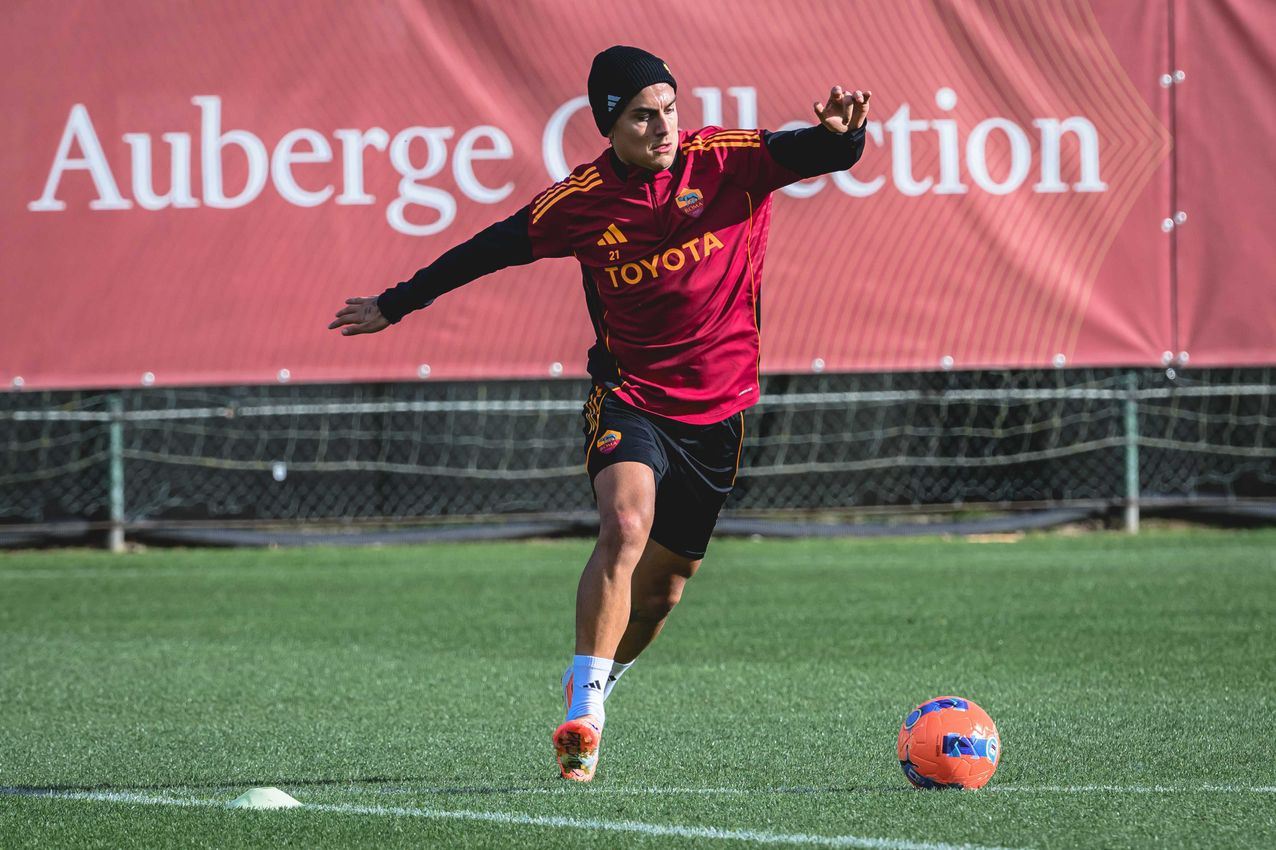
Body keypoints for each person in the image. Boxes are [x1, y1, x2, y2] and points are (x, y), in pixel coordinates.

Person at [329, 45, 870, 782]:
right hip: (631, 395)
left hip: (718, 413)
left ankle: (600, 675)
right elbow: (487, 249)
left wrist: (844, 136)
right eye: (644, 115)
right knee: (623, 524)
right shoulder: (579, 203)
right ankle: (585, 713)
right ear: (609, 125)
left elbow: (813, 151)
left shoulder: (725, 163)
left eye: (670, 109)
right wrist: (396, 303)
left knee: (663, 594)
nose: (664, 126)